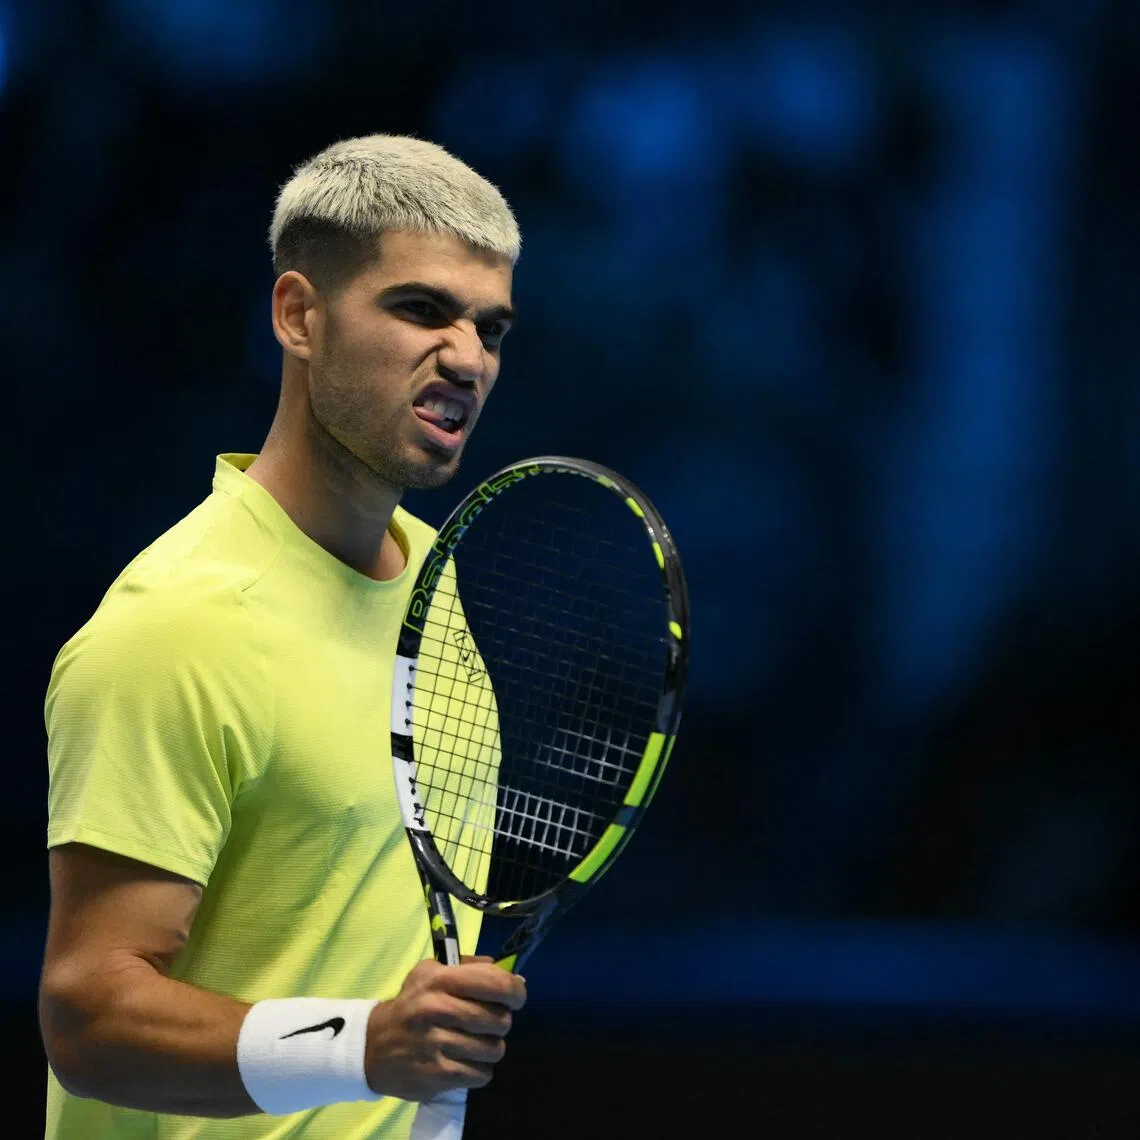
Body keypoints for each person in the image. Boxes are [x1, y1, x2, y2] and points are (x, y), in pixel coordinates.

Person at [39, 134, 527, 1139]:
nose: (468, 358)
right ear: (299, 315)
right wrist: (364, 1047)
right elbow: (88, 1019)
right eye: (421, 310)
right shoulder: (179, 625)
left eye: (490, 327)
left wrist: (406, 1058)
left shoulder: (434, 584)